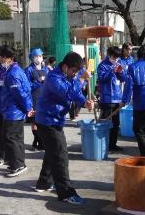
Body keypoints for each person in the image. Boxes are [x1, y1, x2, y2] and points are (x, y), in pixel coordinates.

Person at [34, 52, 94, 204]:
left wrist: (84, 102)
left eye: (77, 71)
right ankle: (66, 193)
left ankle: (44, 183)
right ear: (65, 67)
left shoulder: (69, 74)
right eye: (74, 71)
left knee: (52, 153)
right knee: (60, 155)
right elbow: (68, 93)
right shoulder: (53, 78)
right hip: (47, 121)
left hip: (55, 119)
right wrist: (81, 79)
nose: (75, 74)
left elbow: (75, 94)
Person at [0, 45, 33, 177]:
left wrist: (28, 108)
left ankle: (17, 165)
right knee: (17, 139)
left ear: (9, 58)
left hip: (13, 112)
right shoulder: (15, 70)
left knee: (11, 138)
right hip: (14, 111)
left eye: (2, 57)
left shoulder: (13, 74)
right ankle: (19, 163)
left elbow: (20, 94)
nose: (0, 59)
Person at [97, 46, 126, 151]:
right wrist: (112, 71)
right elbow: (101, 79)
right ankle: (103, 144)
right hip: (107, 98)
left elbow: (123, 79)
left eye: (117, 57)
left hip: (117, 97)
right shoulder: (102, 65)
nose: (115, 59)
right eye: (114, 57)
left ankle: (113, 145)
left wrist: (120, 72)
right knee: (105, 123)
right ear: (109, 55)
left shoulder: (119, 63)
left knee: (115, 124)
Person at [25, 48, 49, 151]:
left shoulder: (46, 69)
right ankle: (37, 140)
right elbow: (26, 86)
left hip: (44, 98)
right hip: (33, 97)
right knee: (34, 121)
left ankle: (37, 142)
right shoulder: (28, 70)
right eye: (36, 56)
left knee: (42, 120)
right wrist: (38, 82)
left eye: (40, 56)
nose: (38, 58)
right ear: (32, 58)